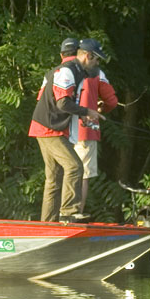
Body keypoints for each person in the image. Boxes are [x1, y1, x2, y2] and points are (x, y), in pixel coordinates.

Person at [28, 38, 107, 222]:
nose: (98, 63)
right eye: (97, 59)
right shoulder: (68, 71)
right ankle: (69, 213)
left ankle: (48, 223)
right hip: (49, 128)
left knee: (54, 177)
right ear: (88, 56)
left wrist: (82, 116)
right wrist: (87, 111)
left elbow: (61, 102)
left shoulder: (75, 72)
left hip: (44, 126)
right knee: (75, 166)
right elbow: (62, 102)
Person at [59, 39, 119, 213]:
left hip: (60, 129)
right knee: (82, 175)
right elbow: (112, 101)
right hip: (85, 129)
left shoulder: (59, 72)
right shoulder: (95, 72)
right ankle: (74, 216)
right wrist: (101, 109)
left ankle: (55, 219)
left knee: (62, 174)